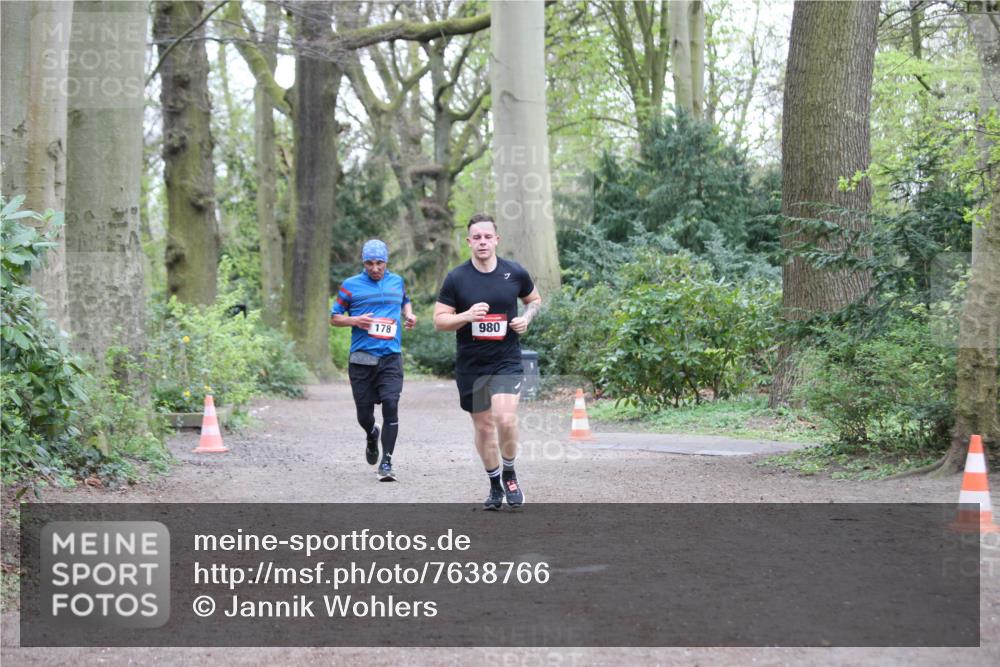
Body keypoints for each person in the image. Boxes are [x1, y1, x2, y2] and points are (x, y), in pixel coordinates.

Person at [433, 213, 542, 510]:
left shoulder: (514, 272)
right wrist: (466, 316)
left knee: (505, 419)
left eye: (487, 236)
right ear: (469, 242)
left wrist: (525, 319)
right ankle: (494, 483)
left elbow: (534, 300)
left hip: (506, 360)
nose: (482, 242)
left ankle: (509, 472)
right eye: (476, 238)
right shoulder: (457, 278)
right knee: (483, 428)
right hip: (472, 364)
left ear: (496, 239)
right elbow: (439, 321)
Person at [331, 239, 416, 481]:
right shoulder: (350, 286)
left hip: (390, 356)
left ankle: (386, 462)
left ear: (386, 262)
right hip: (361, 359)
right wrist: (355, 320)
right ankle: (371, 433)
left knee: (391, 404)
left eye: (379, 263)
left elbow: (404, 300)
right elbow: (334, 317)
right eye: (370, 263)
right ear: (363, 262)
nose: (375, 268)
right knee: (364, 415)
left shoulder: (396, 281)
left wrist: (409, 315)